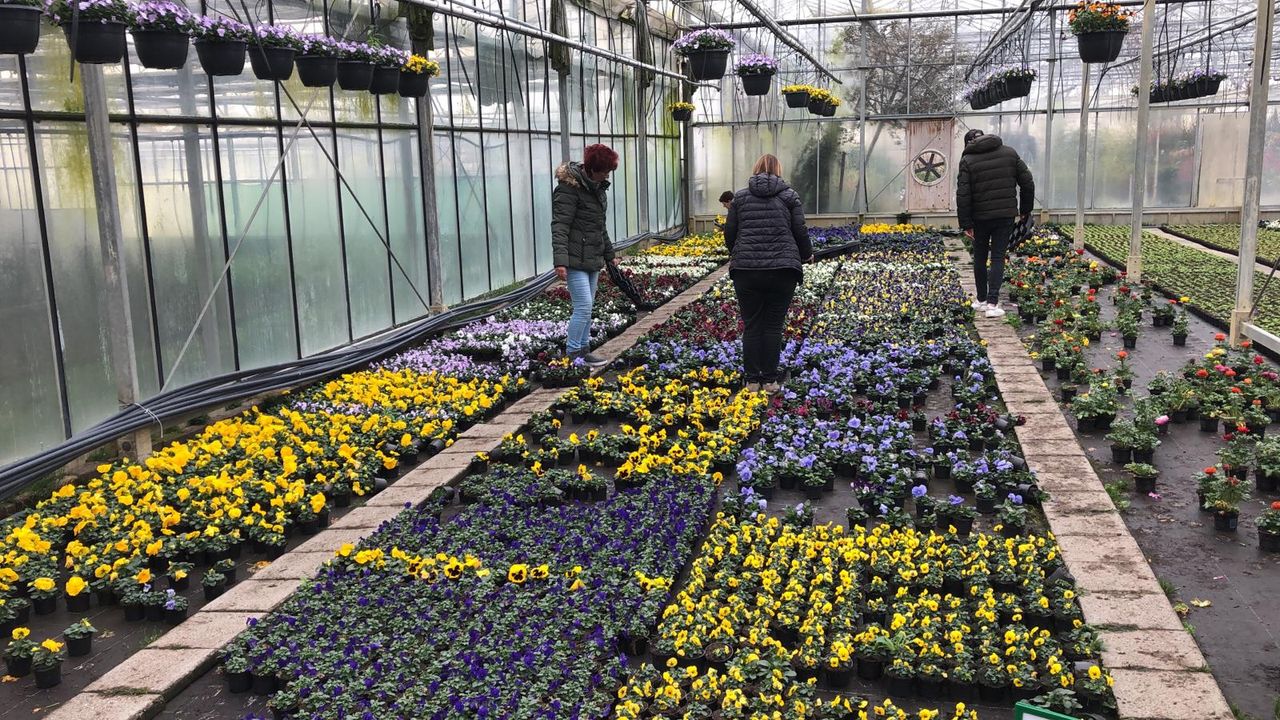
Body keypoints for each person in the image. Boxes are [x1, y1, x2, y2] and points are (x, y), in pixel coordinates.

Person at [724, 154, 813, 394]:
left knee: (752, 325)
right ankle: (770, 381)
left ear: (756, 170)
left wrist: (738, 253)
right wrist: (806, 255)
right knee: (773, 325)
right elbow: (800, 230)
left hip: (746, 272)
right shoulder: (789, 196)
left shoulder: (740, 198)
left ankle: (752, 381)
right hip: (782, 271)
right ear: (778, 170)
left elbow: (730, 232)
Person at [956, 128, 1035, 319]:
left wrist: (966, 223)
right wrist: (1025, 210)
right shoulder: (1009, 153)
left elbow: (963, 195)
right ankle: (992, 304)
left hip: (979, 218)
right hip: (1004, 215)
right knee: (998, 257)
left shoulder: (968, 160)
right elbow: (1027, 183)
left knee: (980, 257)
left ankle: (981, 300)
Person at [552, 144, 618, 368]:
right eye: (605, 171)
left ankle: (583, 350)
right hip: (574, 258)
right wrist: (560, 261)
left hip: (592, 257)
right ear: (592, 169)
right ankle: (572, 354)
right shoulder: (568, 189)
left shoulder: (597, 189)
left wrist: (609, 254)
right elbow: (560, 226)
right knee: (583, 307)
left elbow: (600, 226)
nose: (607, 175)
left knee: (587, 308)